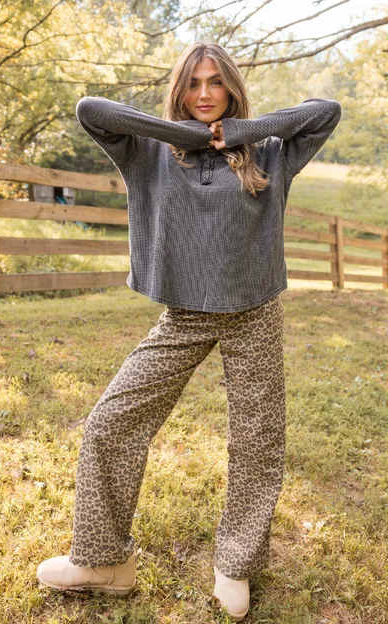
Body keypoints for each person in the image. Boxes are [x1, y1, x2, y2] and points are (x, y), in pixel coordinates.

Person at [36, 41, 342, 621]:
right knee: (111, 422)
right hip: (184, 316)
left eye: (216, 82)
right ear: (179, 90)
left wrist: (239, 132)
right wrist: (192, 136)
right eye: (194, 83)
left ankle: (236, 563)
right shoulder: (148, 151)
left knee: (257, 439)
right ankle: (104, 561)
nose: (205, 94)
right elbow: (90, 109)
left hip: (254, 312)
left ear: (232, 88)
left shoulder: (270, 152)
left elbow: (325, 111)